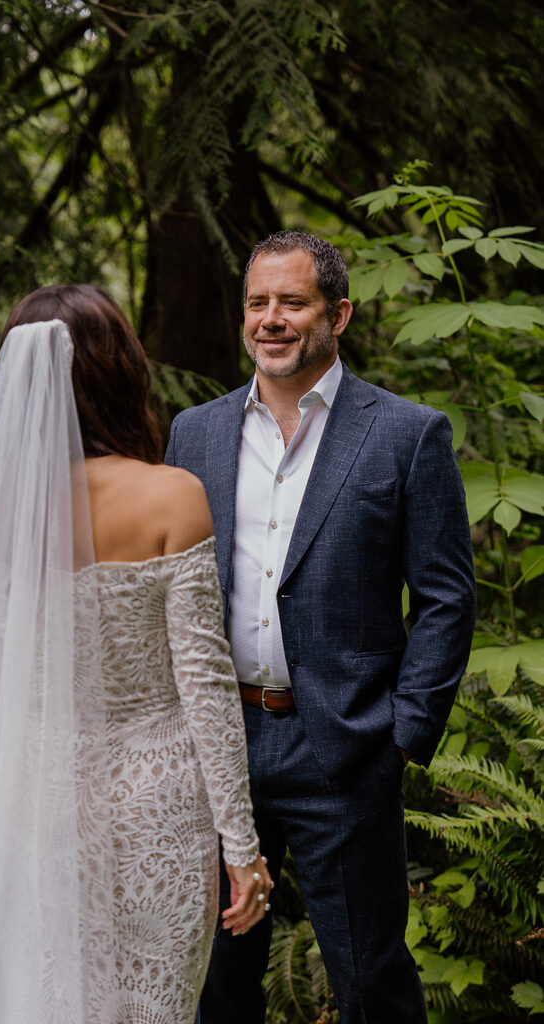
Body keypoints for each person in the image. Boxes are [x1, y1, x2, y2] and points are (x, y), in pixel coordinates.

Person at [0, 284, 271, 1024]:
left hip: (35, 804)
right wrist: (242, 847)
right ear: (119, 372)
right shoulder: (172, 497)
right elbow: (206, 692)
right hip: (159, 810)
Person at [165, 231, 477, 1024]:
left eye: (291, 302)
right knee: (216, 978)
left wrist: (402, 733)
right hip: (220, 740)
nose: (270, 319)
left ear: (336, 313)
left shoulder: (406, 433)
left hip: (344, 744)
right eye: (257, 303)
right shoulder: (193, 433)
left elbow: (445, 597)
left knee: (368, 978)